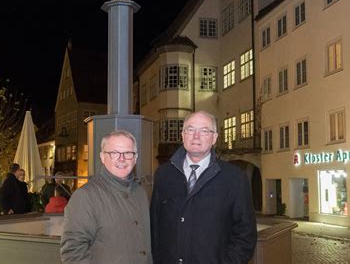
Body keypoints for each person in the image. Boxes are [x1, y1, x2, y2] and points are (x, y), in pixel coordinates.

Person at [151, 111, 257, 263]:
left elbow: (245, 234)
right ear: (182, 135)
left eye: (204, 131)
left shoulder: (235, 178)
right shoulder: (164, 174)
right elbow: (155, 227)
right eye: (190, 129)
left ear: (214, 138)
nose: (196, 136)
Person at [60, 130, 152, 263]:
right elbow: (73, 254)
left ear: (135, 158)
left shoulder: (140, 192)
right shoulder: (85, 196)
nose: (122, 159)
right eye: (114, 153)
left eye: (128, 153)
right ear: (102, 157)